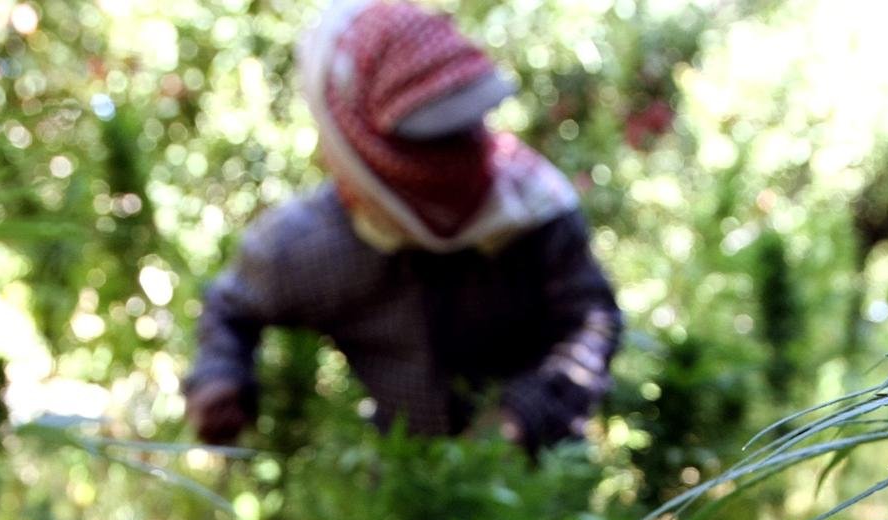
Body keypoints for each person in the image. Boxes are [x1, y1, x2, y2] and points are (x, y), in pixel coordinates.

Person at [183, 0, 622, 454]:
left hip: (541, 487)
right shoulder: (307, 249)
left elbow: (592, 322)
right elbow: (230, 307)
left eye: (465, 125)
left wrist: (521, 417)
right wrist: (220, 376)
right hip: (393, 488)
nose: (457, 156)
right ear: (356, 138)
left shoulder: (534, 213)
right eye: (430, 137)